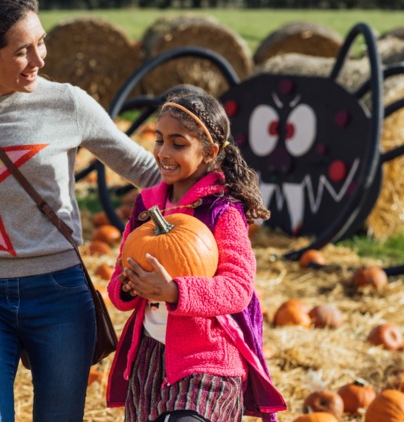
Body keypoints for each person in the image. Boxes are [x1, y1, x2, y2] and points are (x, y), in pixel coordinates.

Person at [0, 0, 160, 420]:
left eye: (41, 43)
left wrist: (213, 190)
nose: (39, 59)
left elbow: (143, 168)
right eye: (21, 51)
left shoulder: (69, 103)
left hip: (60, 293)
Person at [106, 91, 286, 422]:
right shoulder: (146, 207)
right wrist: (130, 286)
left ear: (209, 152)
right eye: (159, 140)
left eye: (178, 143)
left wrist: (175, 291)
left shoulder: (222, 210)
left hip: (208, 359)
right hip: (148, 358)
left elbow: (237, 288)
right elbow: (119, 280)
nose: (163, 152)